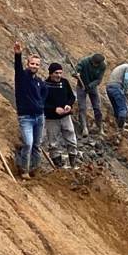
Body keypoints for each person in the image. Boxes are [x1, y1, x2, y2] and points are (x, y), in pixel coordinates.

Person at [13, 41, 47, 179]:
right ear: (28, 64)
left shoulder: (39, 81)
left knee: (37, 145)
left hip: (39, 116)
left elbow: (44, 93)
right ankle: (24, 170)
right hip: (26, 117)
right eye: (32, 63)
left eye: (37, 64)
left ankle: (35, 169)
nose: (34, 66)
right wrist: (18, 54)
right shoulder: (22, 77)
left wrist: (40, 105)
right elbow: (17, 67)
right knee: (28, 143)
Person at [44, 63, 78, 169]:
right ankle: (58, 165)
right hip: (51, 118)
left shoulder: (64, 82)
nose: (58, 75)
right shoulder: (44, 85)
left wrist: (68, 105)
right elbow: (41, 102)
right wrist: (54, 109)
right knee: (53, 142)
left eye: (60, 73)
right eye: (56, 73)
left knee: (71, 138)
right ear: (50, 73)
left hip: (65, 117)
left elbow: (71, 96)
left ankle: (73, 162)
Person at [74, 53, 106, 137]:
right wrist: (76, 73)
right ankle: (84, 128)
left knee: (97, 107)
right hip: (81, 86)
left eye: (96, 64)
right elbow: (76, 70)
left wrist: (90, 86)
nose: (95, 65)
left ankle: (100, 127)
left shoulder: (102, 66)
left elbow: (99, 80)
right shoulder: (85, 61)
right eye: (93, 63)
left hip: (92, 87)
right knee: (82, 107)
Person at [106, 57, 128, 132]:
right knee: (123, 108)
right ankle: (121, 127)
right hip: (116, 88)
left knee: (116, 108)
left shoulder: (121, 66)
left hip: (109, 88)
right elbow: (126, 80)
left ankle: (117, 125)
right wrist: (126, 90)